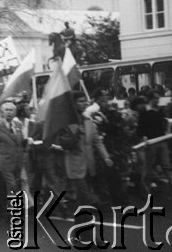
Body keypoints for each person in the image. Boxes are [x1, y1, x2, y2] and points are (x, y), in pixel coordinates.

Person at [58, 91, 110, 246]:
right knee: (88, 203)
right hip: (75, 168)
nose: (84, 103)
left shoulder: (88, 120)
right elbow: (64, 144)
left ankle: (77, 234)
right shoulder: (66, 122)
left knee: (82, 204)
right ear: (73, 104)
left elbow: (96, 140)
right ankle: (90, 238)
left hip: (89, 166)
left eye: (85, 101)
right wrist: (76, 134)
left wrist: (106, 156)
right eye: (80, 101)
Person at [0, 101, 25, 216]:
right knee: (12, 185)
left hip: (17, 161)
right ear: (2, 112)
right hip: (4, 161)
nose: (9, 112)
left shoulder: (18, 125)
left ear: (15, 112)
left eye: (11, 110)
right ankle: (12, 210)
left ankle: (9, 207)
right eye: (6, 110)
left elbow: (20, 143)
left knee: (15, 186)